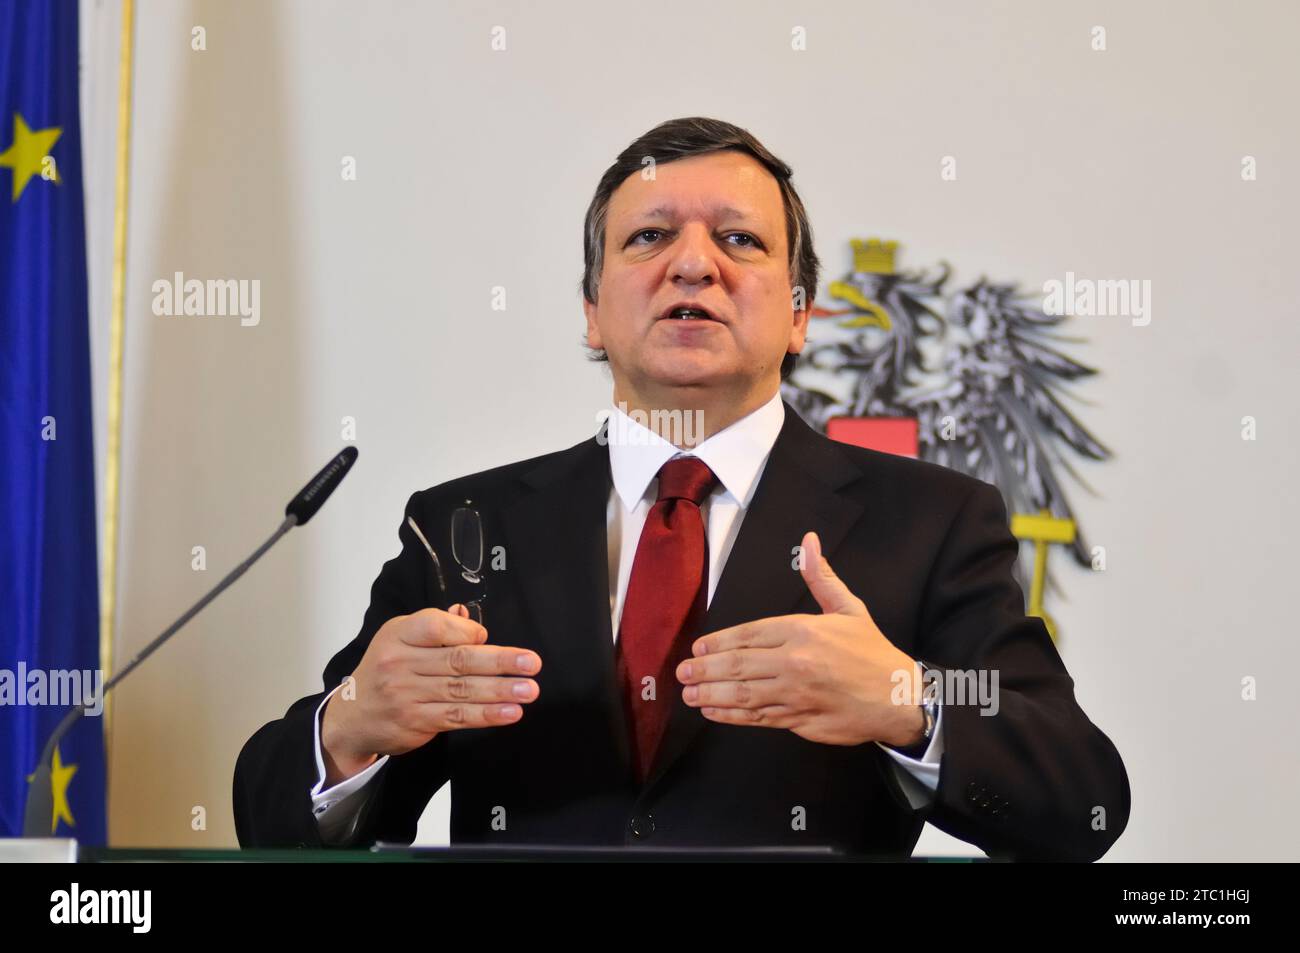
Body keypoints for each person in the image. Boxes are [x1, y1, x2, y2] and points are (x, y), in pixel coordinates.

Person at [233, 117, 1130, 860]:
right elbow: (267, 814)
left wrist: (908, 699)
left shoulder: (930, 522)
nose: (693, 265)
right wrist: (349, 725)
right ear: (592, 309)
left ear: (800, 315)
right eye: (649, 237)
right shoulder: (464, 525)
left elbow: (1083, 800)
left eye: (739, 239)